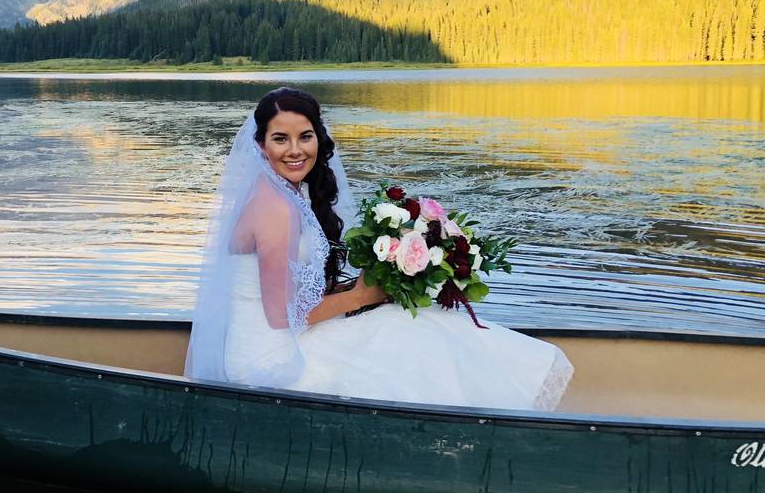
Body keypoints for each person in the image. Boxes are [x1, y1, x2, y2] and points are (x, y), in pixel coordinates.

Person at [185, 87, 573, 410]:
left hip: (284, 339)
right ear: (260, 144)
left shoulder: (287, 194)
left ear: (319, 137)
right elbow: (281, 316)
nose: (295, 150)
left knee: (415, 321)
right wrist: (361, 296)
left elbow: (291, 294)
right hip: (269, 362)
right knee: (404, 335)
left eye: (305, 136)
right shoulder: (272, 209)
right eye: (280, 139)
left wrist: (369, 290)